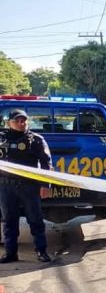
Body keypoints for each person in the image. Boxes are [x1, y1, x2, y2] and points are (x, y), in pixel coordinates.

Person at [0, 109, 52, 263]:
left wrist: (45, 185)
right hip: (6, 186)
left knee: (35, 219)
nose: (21, 123)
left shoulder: (35, 140)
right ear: (8, 122)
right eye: (17, 121)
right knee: (9, 220)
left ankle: (41, 251)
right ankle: (10, 253)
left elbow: (46, 163)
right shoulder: (1, 138)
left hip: (29, 186)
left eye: (23, 120)